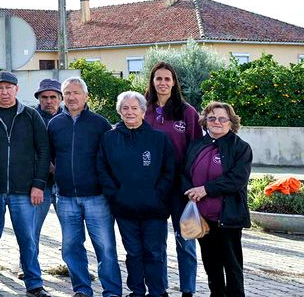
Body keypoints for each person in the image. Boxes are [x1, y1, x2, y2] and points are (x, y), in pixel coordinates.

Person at [0, 71, 50, 296]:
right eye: (0, 88)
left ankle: (34, 283)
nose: (4, 92)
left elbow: (44, 151)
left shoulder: (31, 116)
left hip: (24, 191)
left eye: (8, 87)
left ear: (16, 89)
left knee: (27, 239)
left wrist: (39, 184)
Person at [48, 77, 120, 297]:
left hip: (97, 197)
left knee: (105, 248)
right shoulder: (54, 124)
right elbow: (49, 157)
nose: (71, 97)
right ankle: (81, 289)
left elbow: (111, 158)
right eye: (67, 93)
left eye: (76, 92)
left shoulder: (100, 124)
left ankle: (112, 291)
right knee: (70, 248)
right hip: (65, 197)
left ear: (86, 96)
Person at [98, 91, 175, 297]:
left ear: (143, 112)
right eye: (125, 108)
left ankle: (157, 292)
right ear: (119, 112)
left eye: (134, 108)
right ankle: (137, 291)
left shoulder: (159, 139)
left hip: (154, 209)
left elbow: (170, 171)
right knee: (133, 253)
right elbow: (102, 169)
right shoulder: (109, 138)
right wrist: (115, 195)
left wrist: (159, 195)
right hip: (124, 208)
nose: (129, 112)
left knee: (154, 252)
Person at [182, 102, 252, 297]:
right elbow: (184, 173)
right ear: (205, 121)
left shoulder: (241, 148)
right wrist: (189, 190)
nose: (217, 122)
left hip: (228, 218)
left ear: (231, 123)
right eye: (212, 118)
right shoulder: (196, 145)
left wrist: (205, 189)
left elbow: (237, 179)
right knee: (211, 265)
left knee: (232, 265)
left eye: (222, 119)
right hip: (202, 218)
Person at [144, 62, 201, 297]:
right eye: (159, 78)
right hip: (152, 187)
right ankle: (159, 289)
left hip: (182, 187)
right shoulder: (143, 109)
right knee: (155, 243)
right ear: (152, 81)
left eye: (167, 79)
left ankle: (188, 289)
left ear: (174, 82)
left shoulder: (188, 112)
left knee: (186, 240)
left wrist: (195, 184)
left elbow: (198, 149)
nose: (163, 83)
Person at [31, 79, 62, 245]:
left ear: (60, 98)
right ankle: (27, 268)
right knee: (32, 230)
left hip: (64, 183)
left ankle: (76, 270)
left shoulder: (68, 118)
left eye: (53, 97)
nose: (48, 101)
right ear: (38, 98)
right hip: (39, 184)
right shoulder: (30, 118)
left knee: (71, 230)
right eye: (44, 97)